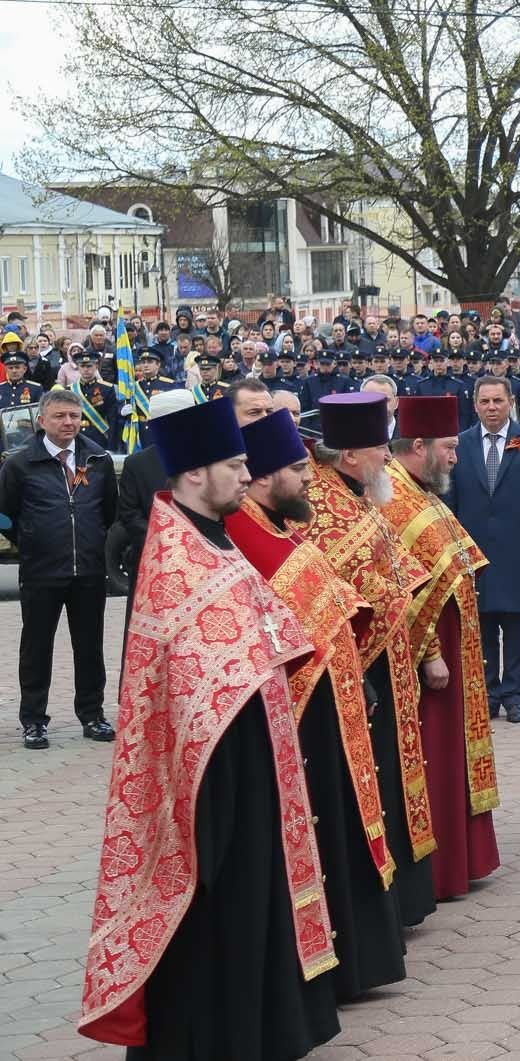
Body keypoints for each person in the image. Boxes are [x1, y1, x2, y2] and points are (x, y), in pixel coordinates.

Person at [77, 400, 341, 1060]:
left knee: (254, 915)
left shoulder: (210, 538)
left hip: (252, 770)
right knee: (216, 926)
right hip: (213, 787)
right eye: (234, 463)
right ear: (195, 472)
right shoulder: (176, 560)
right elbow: (192, 692)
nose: (246, 474)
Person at [228, 409, 408, 1003]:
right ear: (258, 477)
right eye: (295, 469)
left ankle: (358, 961)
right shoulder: (247, 530)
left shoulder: (276, 523)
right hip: (306, 714)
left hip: (337, 705)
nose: (309, 478)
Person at [301, 391, 441, 929]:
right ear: (351, 455)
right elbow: (333, 582)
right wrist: (388, 592)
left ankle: (403, 896)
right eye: (380, 448)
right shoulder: (321, 507)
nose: (389, 457)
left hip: (389, 655)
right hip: (357, 662)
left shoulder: (360, 494)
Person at [382, 395, 503, 901]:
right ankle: (440, 866)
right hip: (427, 656)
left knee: (452, 753)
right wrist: (430, 652)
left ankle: (463, 857)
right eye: (450, 448)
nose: (457, 457)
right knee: (433, 756)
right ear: (418, 446)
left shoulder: (419, 489)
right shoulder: (394, 497)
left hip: (455, 649)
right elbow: (400, 588)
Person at [2, 388, 117, 750]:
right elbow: (6, 514)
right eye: (60, 416)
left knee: (90, 646)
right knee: (36, 648)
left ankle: (92, 714)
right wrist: (33, 540)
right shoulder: (21, 464)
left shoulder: (97, 459)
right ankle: (34, 720)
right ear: (42, 421)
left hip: (88, 571)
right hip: (41, 572)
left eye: (74, 416)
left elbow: (108, 513)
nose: (69, 423)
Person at [452, 375, 520, 720]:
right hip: (474, 553)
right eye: (485, 402)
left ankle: (514, 696)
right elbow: (449, 504)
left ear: (510, 402)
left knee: (515, 628)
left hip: (518, 553)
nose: (492, 408)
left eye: (498, 401)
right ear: (475, 405)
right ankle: (487, 694)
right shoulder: (460, 445)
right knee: (480, 628)